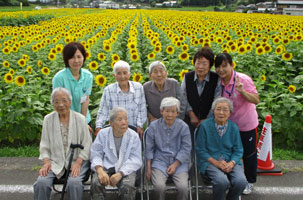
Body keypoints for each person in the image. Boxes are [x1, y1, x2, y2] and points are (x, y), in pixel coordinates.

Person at [33, 87, 92, 200]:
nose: (60, 104)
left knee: (74, 183)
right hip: (55, 161)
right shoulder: (48, 119)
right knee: (41, 182)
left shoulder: (80, 119)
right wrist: (46, 162)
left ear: (70, 102)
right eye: (56, 101)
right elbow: (44, 144)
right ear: (53, 104)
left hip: (77, 160)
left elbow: (87, 144)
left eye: (64, 100)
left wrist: (79, 162)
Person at [215, 53, 259, 195]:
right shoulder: (218, 82)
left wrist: (242, 92)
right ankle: (232, 179)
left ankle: (249, 181)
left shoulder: (243, 79)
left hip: (246, 123)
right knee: (229, 153)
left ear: (231, 65)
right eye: (218, 67)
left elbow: (256, 99)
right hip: (228, 126)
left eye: (224, 66)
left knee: (248, 154)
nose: (221, 70)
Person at [195, 97, 247, 200]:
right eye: (218, 109)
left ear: (230, 113)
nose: (221, 112)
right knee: (222, 181)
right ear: (213, 111)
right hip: (210, 161)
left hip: (230, 161)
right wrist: (216, 163)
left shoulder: (233, 127)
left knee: (241, 182)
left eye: (225, 109)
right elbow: (200, 149)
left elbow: (238, 150)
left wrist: (231, 163)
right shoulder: (205, 126)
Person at [90, 107, 142, 200]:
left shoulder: (133, 136)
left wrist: (121, 173)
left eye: (126, 119)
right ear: (111, 123)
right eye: (120, 119)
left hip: (126, 168)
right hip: (106, 166)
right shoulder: (102, 134)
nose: (124, 122)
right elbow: (96, 153)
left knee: (127, 186)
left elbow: (136, 159)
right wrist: (100, 170)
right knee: (96, 182)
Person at [145, 97, 192, 200]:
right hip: (159, 161)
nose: (169, 115)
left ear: (177, 113)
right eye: (167, 111)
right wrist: (148, 168)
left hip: (179, 162)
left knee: (183, 187)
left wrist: (175, 164)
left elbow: (186, 148)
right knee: (159, 187)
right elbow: (149, 148)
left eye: (173, 111)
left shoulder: (183, 127)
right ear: (162, 111)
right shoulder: (153, 126)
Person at [95, 60, 147, 138]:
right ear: (114, 75)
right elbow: (103, 111)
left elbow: (142, 109)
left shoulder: (138, 88)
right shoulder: (109, 90)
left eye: (125, 73)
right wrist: (98, 127)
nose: (122, 76)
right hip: (115, 130)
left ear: (129, 74)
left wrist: (140, 125)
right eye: (119, 73)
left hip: (133, 128)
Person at [52, 42, 93, 133]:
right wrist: (71, 121)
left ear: (83, 57)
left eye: (79, 57)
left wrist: (83, 121)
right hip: (64, 119)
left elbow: (85, 99)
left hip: (84, 118)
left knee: (86, 145)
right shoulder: (59, 78)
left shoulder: (88, 76)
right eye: (72, 57)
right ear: (67, 59)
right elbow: (58, 103)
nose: (76, 61)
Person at [181, 47, 221, 133]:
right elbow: (183, 97)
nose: (200, 67)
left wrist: (207, 119)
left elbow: (217, 100)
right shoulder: (187, 77)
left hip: (210, 121)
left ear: (210, 66)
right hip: (189, 121)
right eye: (198, 63)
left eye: (204, 64)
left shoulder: (216, 78)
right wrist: (191, 114)